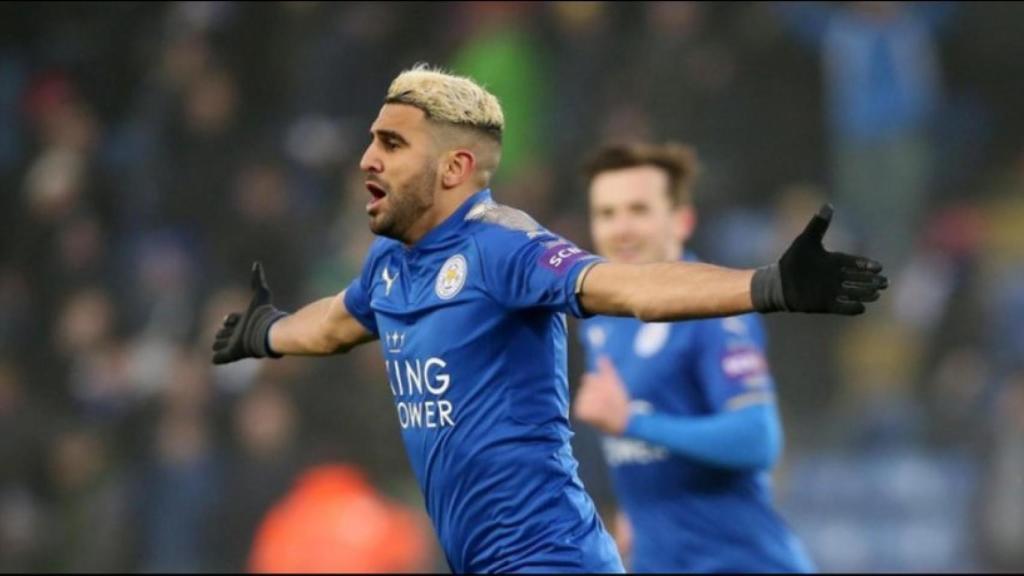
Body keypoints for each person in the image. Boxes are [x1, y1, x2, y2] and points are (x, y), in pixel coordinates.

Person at [210, 64, 887, 573]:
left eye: (392, 143)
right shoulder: (392, 263)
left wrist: (767, 285)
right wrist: (264, 332)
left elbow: (628, 288)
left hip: (550, 558)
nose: (368, 159)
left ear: (454, 167)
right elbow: (335, 324)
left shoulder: (501, 246)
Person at [571, 141, 815, 572]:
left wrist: (632, 421)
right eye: (606, 214)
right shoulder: (601, 322)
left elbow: (758, 438)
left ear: (682, 220)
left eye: (638, 210)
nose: (620, 228)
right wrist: (634, 516)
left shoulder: (713, 310)